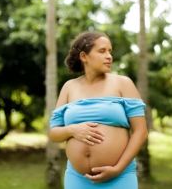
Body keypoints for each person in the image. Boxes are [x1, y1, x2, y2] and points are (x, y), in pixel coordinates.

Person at [49, 31, 148, 189]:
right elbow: (54, 133)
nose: (109, 56)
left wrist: (117, 169)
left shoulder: (123, 84)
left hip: (119, 177)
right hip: (77, 179)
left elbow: (140, 132)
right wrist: (73, 130)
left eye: (110, 51)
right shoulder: (69, 87)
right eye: (102, 51)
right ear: (84, 56)